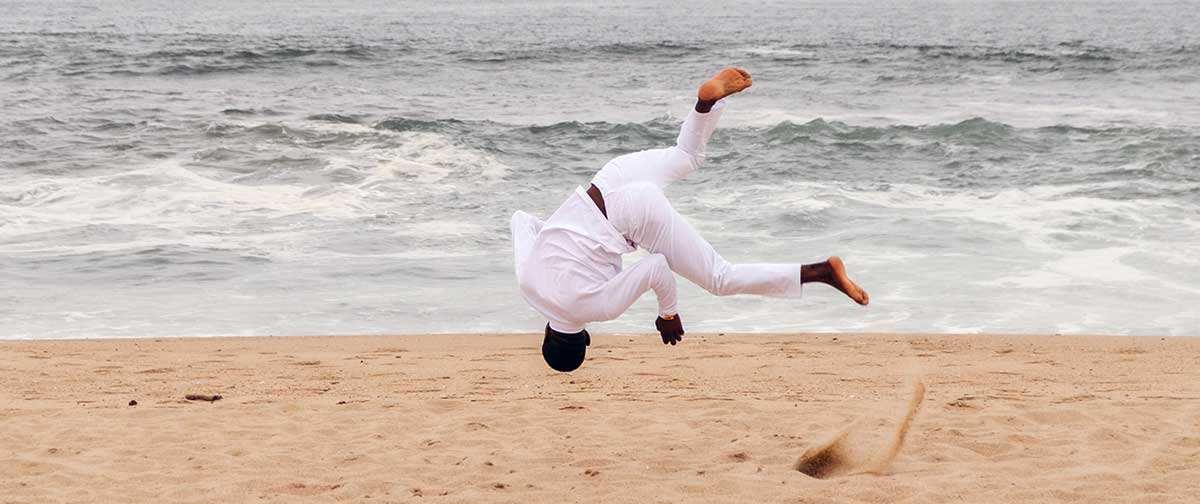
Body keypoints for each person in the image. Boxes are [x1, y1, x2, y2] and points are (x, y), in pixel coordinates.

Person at [511, 68, 869, 373]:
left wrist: (669, 314)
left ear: (584, 339)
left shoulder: (596, 308)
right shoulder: (527, 282)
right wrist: (563, 239)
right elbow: (521, 219)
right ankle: (706, 103)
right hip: (607, 179)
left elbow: (656, 267)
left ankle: (821, 272)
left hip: (632, 213)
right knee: (687, 155)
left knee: (720, 278)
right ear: (546, 332)